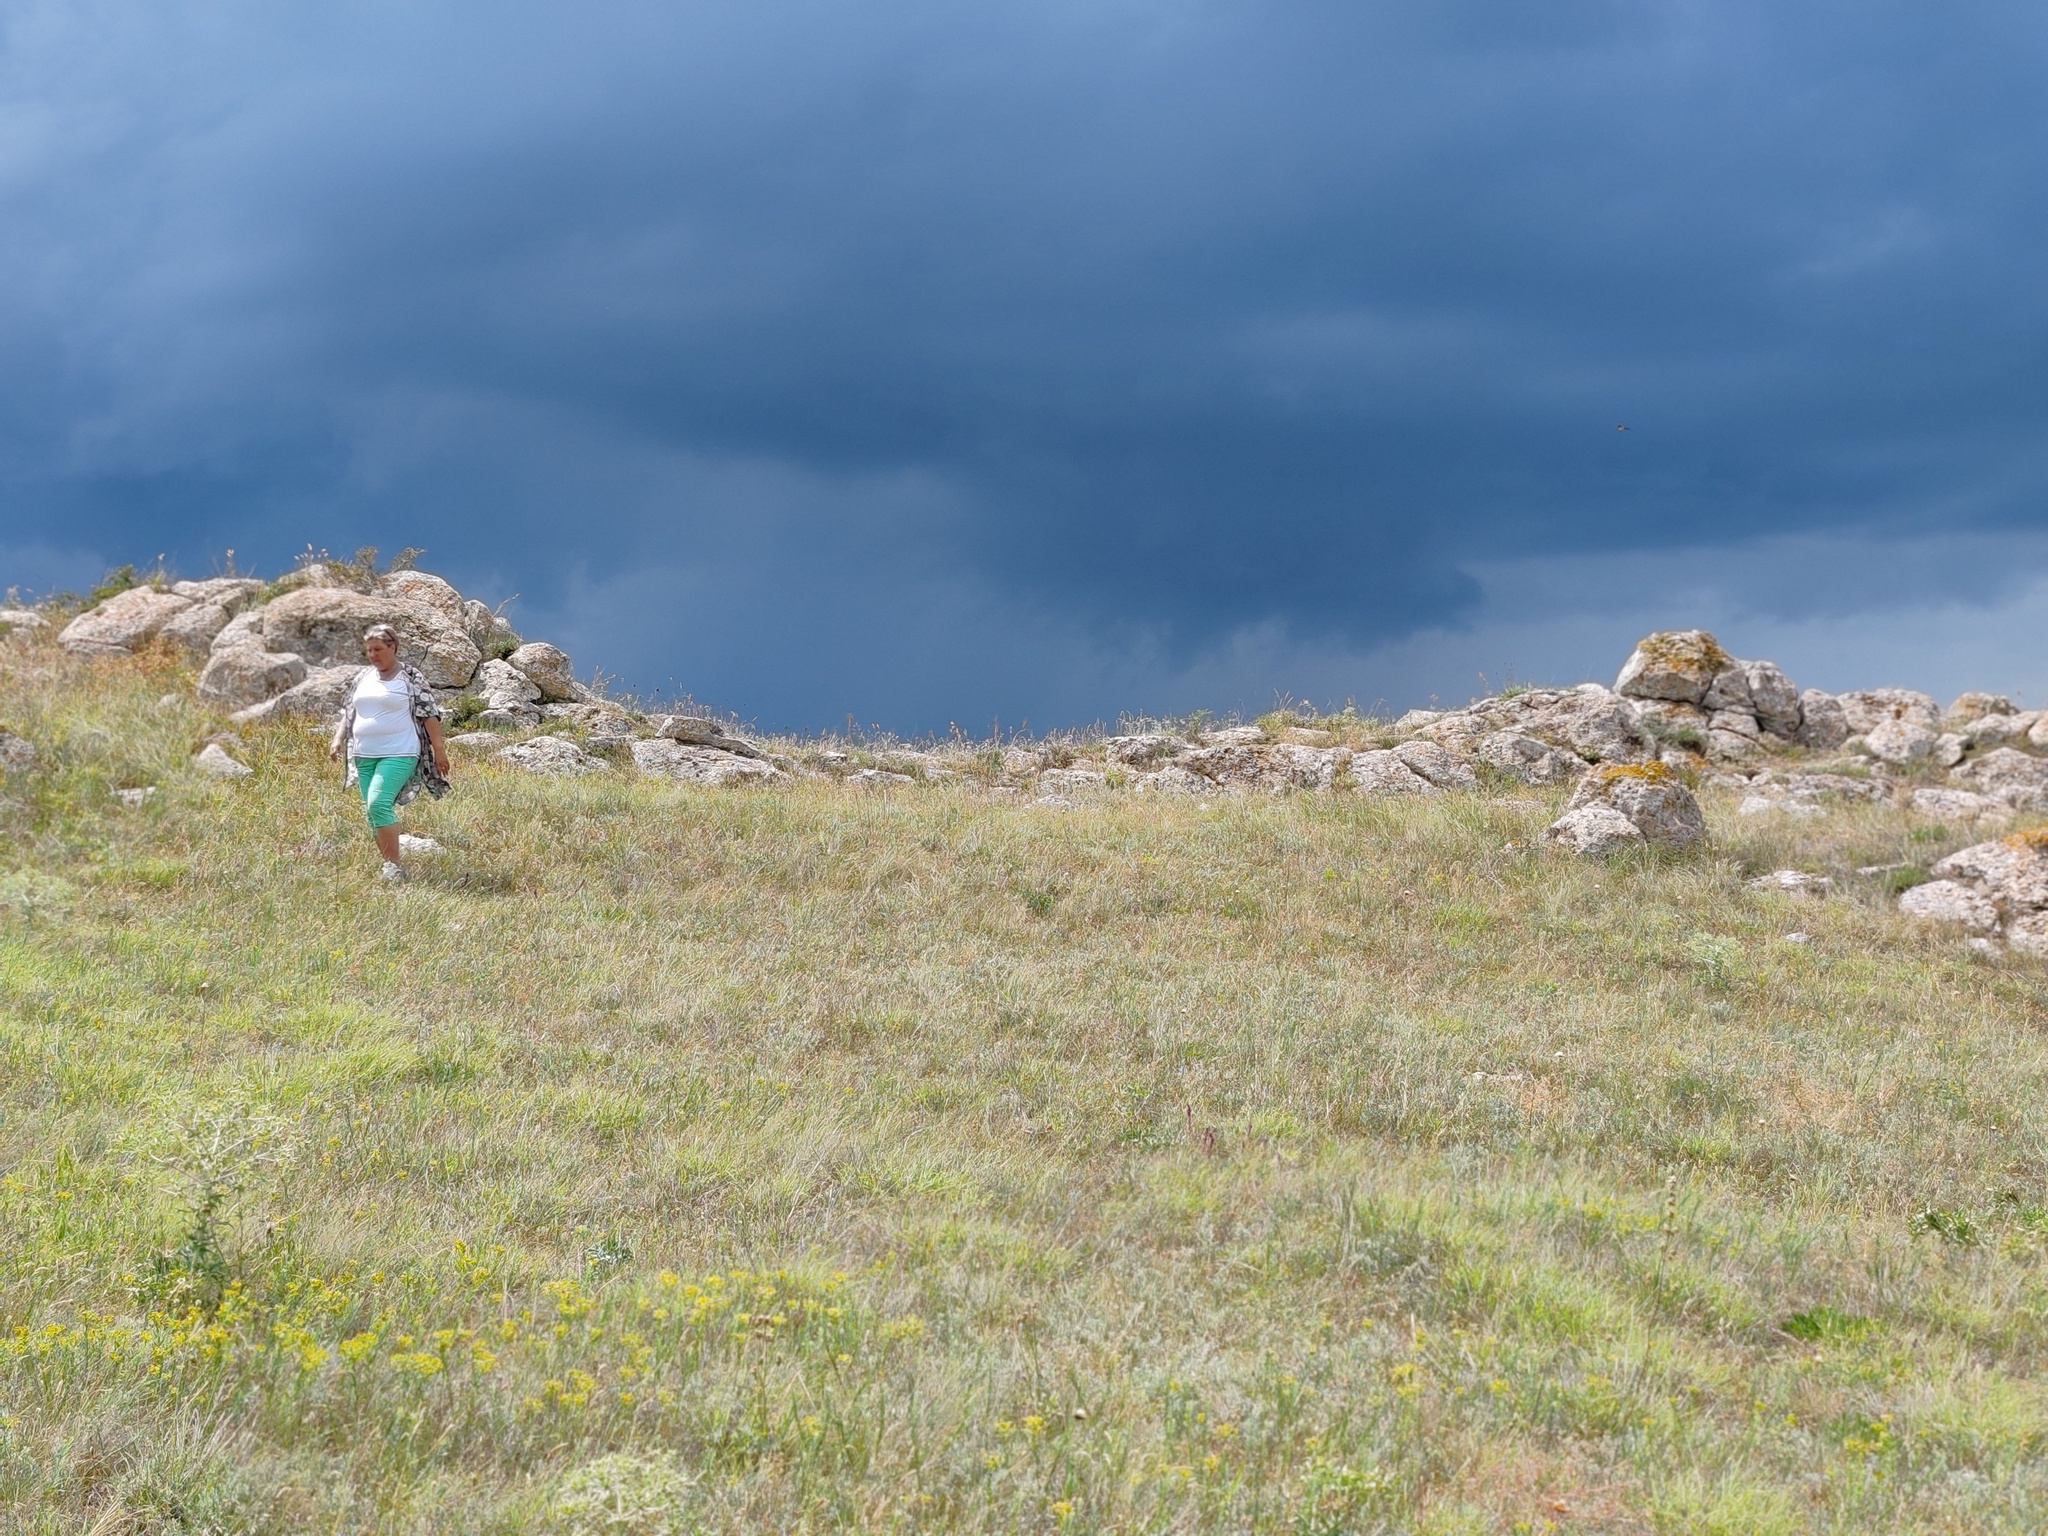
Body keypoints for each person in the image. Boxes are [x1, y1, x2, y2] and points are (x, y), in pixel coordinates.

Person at [328, 624, 451, 883]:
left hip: (400, 751)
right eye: (369, 650)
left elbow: (429, 714)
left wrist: (440, 751)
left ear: (392, 647)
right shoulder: (364, 677)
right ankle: (389, 865)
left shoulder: (409, 676)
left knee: (378, 803)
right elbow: (350, 710)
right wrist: (337, 739)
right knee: (371, 811)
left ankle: (394, 867)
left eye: (378, 649)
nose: (373, 655)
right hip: (363, 754)